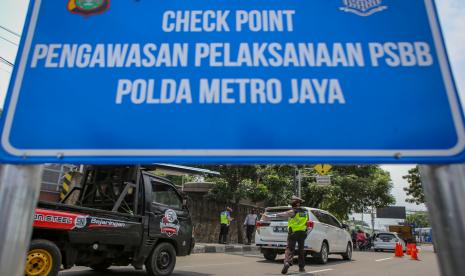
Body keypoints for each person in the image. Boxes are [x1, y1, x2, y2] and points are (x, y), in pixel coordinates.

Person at [266, 196, 310, 274]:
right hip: (302, 233)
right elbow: (307, 222)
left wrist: (268, 216)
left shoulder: (292, 211)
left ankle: (287, 262)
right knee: (301, 250)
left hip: (293, 233)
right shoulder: (305, 212)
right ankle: (301, 267)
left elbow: (281, 215)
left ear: (294, 204)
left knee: (290, 248)